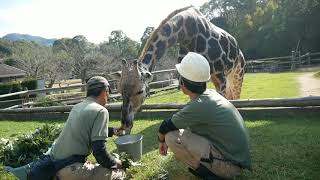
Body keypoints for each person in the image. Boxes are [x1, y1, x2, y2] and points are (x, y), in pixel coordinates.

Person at [7, 76, 125, 180]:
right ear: (105, 91)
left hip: (53, 165)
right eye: (108, 92)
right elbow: (99, 151)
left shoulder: (77, 107)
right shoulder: (101, 111)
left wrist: (112, 131)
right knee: (118, 173)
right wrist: (115, 163)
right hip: (70, 169)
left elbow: (85, 129)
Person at [158, 52, 252, 179]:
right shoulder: (209, 96)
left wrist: (162, 141)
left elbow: (165, 126)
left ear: (182, 83)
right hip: (235, 160)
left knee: (171, 136)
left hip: (230, 167)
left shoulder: (199, 105)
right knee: (186, 131)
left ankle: (209, 174)